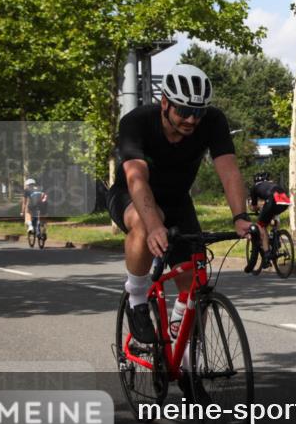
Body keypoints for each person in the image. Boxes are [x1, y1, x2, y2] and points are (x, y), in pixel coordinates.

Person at [106, 64, 254, 347]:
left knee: (195, 284)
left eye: (197, 113)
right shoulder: (136, 123)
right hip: (131, 195)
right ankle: (136, 299)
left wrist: (241, 217)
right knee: (145, 219)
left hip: (177, 201)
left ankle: (185, 359)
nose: (191, 119)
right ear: (164, 102)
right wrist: (153, 227)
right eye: (183, 111)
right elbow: (136, 177)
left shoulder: (212, 121)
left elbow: (229, 170)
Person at [244, 171, 290, 273]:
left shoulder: (255, 188)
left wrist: (253, 209)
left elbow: (254, 206)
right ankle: (276, 237)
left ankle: (267, 253)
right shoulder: (271, 184)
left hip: (272, 200)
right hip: (285, 199)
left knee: (261, 225)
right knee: (271, 215)